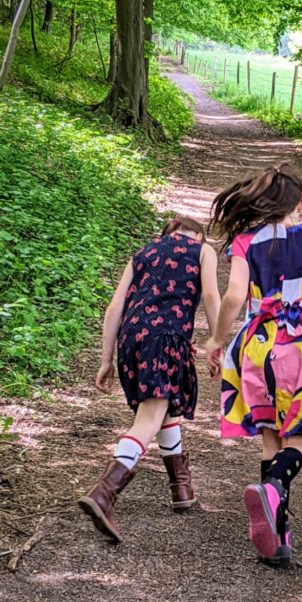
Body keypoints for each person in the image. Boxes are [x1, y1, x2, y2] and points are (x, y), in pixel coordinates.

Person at [205, 162, 302, 568]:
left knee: (270, 437)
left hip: (258, 346)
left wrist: (216, 339)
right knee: (299, 438)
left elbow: (233, 298)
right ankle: (274, 493)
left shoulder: (245, 242)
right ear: (300, 203)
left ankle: (278, 537)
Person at [78, 215, 221, 542]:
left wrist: (105, 360)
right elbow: (212, 297)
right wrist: (217, 343)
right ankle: (104, 493)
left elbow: (115, 307)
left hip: (132, 340)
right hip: (165, 341)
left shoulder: (143, 253)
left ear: (166, 233)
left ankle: (181, 488)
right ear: (198, 235)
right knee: (149, 418)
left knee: (164, 408)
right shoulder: (202, 250)